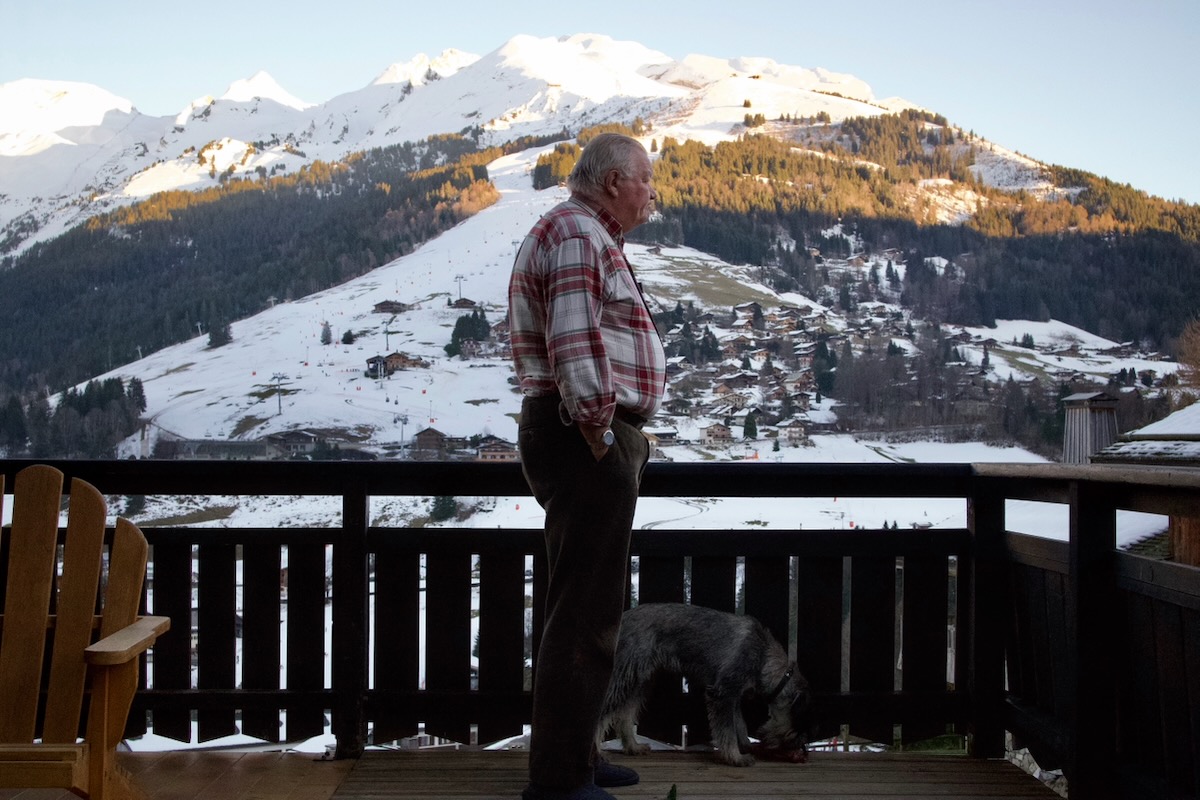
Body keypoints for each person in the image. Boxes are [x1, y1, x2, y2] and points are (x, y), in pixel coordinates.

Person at [508, 132, 666, 800]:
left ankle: (577, 756)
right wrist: (602, 436)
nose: (652, 192)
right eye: (645, 179)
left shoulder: (582, 232)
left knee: (583, 606)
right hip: (583, 437)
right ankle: (561, 781)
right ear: (613, 182)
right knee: (585, 616)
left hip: (579, 435)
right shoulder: (578, 234)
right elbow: (575, 340)